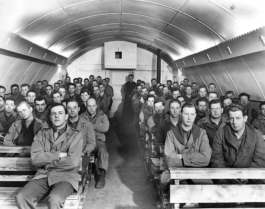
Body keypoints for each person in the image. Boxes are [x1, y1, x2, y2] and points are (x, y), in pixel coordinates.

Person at [16, 103, 83, 209]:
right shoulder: (41, 134)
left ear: (66, 116)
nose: (56, 116)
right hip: (43, 175)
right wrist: (58, 155)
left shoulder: (76, 136)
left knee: (54, 199)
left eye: (60, 113)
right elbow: (35, 159)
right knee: (22, 197)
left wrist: (46, 163)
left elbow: (72, 162)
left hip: (66, 177)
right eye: (53, 114)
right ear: (50, 117)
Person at [161, 102, 212, 191]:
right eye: (186, 114)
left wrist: (182, 156)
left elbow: (206, 158)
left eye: (192, 114)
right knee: (180, 192)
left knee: (210, 195)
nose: (189, 117)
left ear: (195, 115)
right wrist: (195, 159)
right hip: (176, 174)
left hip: (198, 174)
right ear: (181, 114)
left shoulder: (202, 133)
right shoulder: (171, 134)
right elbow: (171, 161)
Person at [211, 104, 265, 184]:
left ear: (245, 118)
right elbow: (217, 159)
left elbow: (259, 160)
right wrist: (228, 176)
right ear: (228, 119)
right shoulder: (221, 133)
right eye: (231, 118)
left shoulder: (257, 135)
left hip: (251, 176)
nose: (234, 122)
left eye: (238, 118)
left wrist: (247, 175)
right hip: (227, 176)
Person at [80, 97, 110, 189]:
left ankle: (102, 175)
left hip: (98, 140)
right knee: (82, 152)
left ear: (96, 106)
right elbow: (80, 130)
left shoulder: (102, 115)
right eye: (89, 106)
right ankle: (83, 174)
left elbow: (105, 128)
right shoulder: (81, 116)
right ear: (86, 106)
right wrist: (98, 126)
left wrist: (89, 125)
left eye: (93, 106)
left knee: (103, 151)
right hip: (86, 141)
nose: (91, 108)